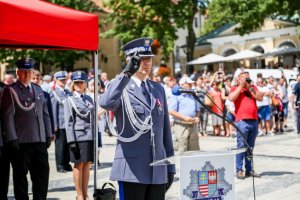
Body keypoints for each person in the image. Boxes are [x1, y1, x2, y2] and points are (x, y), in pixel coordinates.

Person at [100, 37, 175, 200]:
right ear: (130, 61)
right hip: (132, 169)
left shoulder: (157, 89)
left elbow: (165, 132)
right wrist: (126, 74)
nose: (146, 63)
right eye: (141, 59)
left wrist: (170, 166)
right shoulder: (120, 86)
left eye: (149, 59)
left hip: (158, 168)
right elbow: (106, 103)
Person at [0, 58, 52, 199]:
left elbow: (45, 114)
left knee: (41, 177)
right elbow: (7, 116)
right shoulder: (10, 91)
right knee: (21, 180)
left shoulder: (38, 89)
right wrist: (11, 138)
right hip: (21, 142)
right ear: (18, 72)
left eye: (29, 72)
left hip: (39, 140)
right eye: (24, 72)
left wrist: (48, 134)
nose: (27, 75)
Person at [64, 71, 94, 200]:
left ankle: (85, 193)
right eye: (76, 82)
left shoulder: (89, 98)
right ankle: (79, 194)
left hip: (89, 136)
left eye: (81, 82)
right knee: (78, 165)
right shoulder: (69, 100)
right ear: (73, 84)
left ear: (85, 84)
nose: (78, 84)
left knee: (87, 164)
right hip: (78, 137)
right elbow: (69, 122)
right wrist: (71, 141)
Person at [229, 71, 263, 179]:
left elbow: (260, 98)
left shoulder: (253, 87)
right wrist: (241, 86)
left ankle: (249, 170)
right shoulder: (235, 88)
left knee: (250, 148)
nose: (246, 80)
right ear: (238, 79)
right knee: (241, 147)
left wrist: (251, 88)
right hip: (242, 121)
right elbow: (231, 98)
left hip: (254, 121)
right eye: (244, 78)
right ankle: (239, 170)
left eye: (248, 78)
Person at [169, 76, 200, 153]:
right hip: (180, 125)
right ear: (182, 84)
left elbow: (197, 110)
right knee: (182, 149)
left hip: (193, 125)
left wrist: (197, 117)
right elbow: (171, 111)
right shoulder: (176, 95)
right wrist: (184, 117)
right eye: (189, 84)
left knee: (194, 150)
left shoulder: (193, 95)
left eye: (191, 84)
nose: (191, 85)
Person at [50, 71, 73, 173]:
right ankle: (60, 165)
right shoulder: (54, 93)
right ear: (56, 80)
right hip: (60, 124)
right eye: (61, 80)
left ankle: (66, 163)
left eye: (64, 79)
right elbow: (53, 109)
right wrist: (54, 125)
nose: (63, 81)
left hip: (68, 123)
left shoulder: (68, 92)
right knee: (60, 146)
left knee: (68, 145)